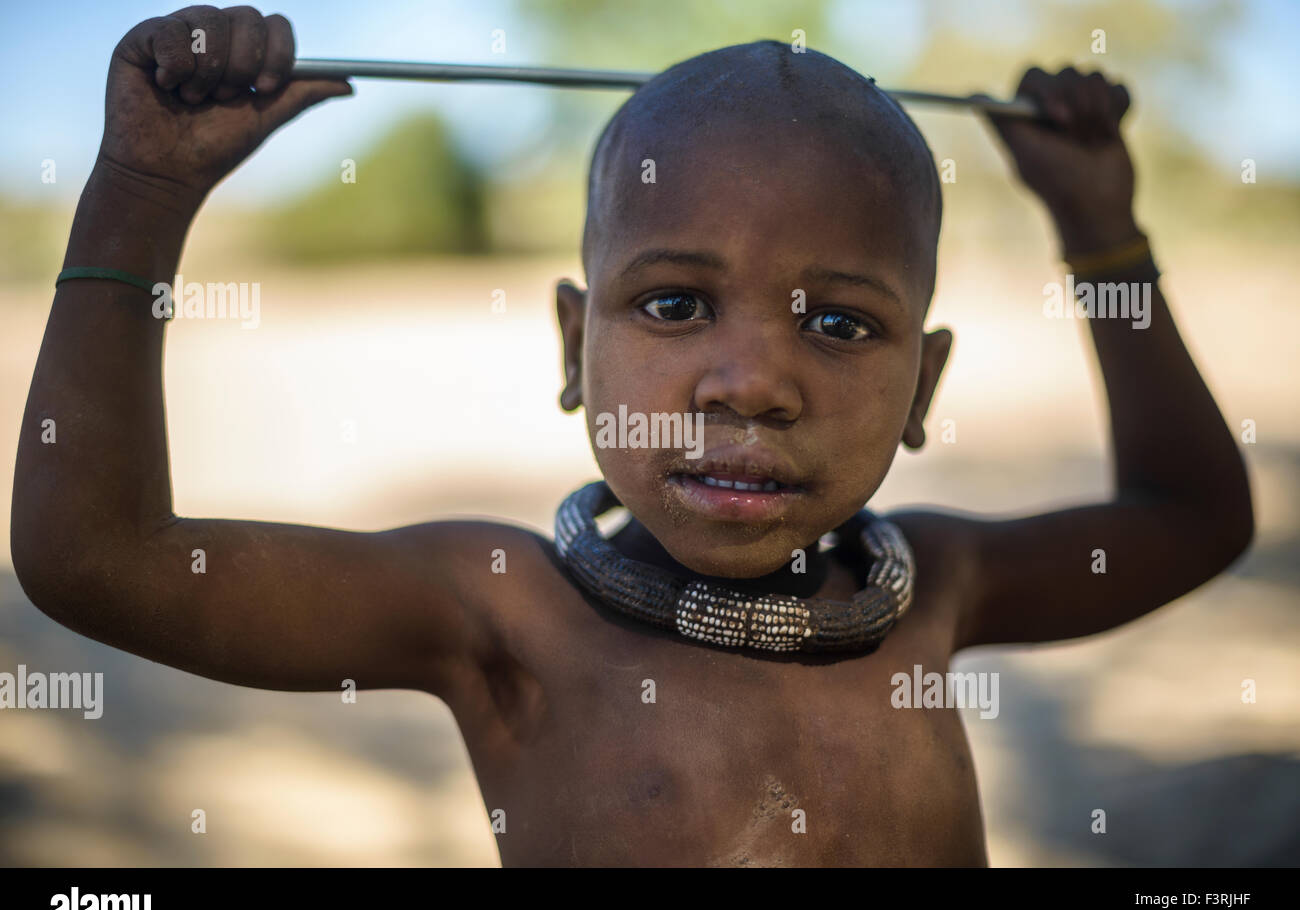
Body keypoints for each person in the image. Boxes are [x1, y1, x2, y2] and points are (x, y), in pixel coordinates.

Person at [11, 6, 1252, 866]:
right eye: (673, 303)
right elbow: (97, 558)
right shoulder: (500, 613)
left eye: (839, 322)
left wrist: (1102, 238)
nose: (752, 382)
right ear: (570, 348)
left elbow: (1196, 518)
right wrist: (144, 195)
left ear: (922, 389)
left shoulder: (933, 592)